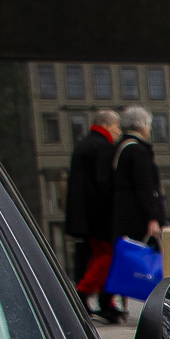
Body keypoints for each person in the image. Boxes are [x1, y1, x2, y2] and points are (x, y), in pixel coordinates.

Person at [104, 104, 164, 326]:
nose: (149, 129)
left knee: (124, 256)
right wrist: (152, 217)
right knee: (147, 258)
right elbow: (144, 187)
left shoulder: (118, 149)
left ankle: (111, 299)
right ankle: (153, 302)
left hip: (122, 213)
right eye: (148, 124)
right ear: (140, 125)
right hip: (137, 215)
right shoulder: (138, 151)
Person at [68, 107, 119, 321]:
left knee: (97, 256)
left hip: (82, 214)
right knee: (106, 256)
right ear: (106, 125)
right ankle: (83, 293)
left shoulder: (82, 145)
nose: (118, 132)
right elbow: (103, 182)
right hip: (98, 215)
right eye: (116, 127)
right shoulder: (103, 147)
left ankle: (101, 300)